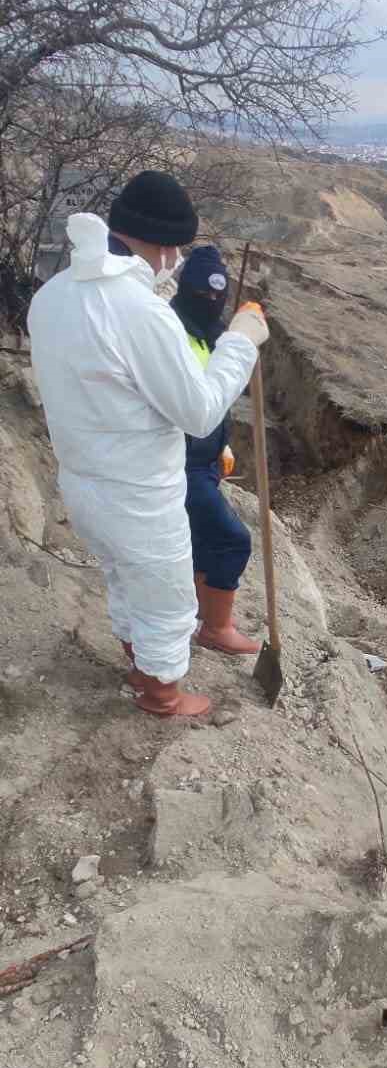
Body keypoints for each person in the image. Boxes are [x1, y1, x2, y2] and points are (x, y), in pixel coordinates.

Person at [27, 170, 268, 718]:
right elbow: (199, 411)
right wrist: (240, 343)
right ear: (164, 246)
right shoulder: (140, 312)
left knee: (122, 574)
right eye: (177, 249)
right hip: (137, 486)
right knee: (164, 592)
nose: (177, 262)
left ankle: (139, 666)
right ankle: (162, 694)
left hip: (82, 477)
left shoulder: (55, 295)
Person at [169, 244, 259, 655]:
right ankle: (216, 628)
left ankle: (196, 618)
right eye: (202, 293)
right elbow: (195, 403)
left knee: (201, 542)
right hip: (177, 463)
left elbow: (218, 399)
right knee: (231, 539)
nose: (210, 301)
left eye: (217, 296)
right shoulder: (171, 334)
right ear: (185, 288)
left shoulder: (209, 334)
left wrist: (221, 447)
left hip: (204, 461)